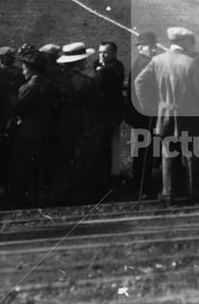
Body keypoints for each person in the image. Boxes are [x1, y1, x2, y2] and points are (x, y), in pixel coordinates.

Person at [133, 27, 199, 206]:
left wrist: (150, 107)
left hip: (165, 113)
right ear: (183, 43)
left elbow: (140, 83)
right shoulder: (190, 63)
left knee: (167, 154)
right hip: (188, 114)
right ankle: (193, 192)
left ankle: (168, 193)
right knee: (191, 155)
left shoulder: (157, 60)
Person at [9, 47, 57, 206]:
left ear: (30, 69)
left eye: (24, 69)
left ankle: (29, 198)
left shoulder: (28, 88)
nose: (22, 72)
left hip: (29, 133)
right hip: (46, 130)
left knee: (28, 168)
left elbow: (17, 109)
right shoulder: (48, 84)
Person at [55, 42, 100, 204]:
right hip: (84, 126)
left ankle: (65, 193)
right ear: (79, 62)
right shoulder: (88, 82)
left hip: (63, 125)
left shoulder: (58, 81)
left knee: (66, 160)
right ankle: (82, 194)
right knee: (83, 161)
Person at [129, 31, 160, 199]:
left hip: (139, 114)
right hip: (145, 115)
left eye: (154, 46)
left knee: (142, 152)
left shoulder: (141, 61)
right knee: (145, 153)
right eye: (150, 46)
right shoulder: (145, 63)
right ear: (141, 47)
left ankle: (140, 186)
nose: (154, 50)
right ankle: (143, 189)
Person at [94, 40, 127, 193]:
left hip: (107, 111)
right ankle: (113, 172)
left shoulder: (108, 69)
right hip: (114, 110)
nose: (102, 55)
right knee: (112, 142)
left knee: (105, 143)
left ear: (114, 53)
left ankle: (107, 176)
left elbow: (97, 81)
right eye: (100, 52)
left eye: (105, 52)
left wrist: (100, 66)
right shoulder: (116, 65)